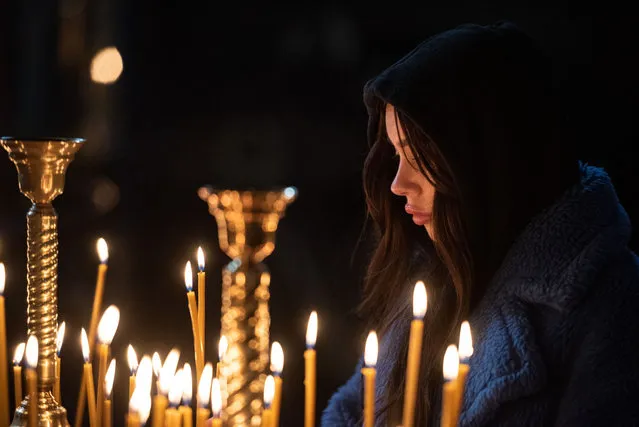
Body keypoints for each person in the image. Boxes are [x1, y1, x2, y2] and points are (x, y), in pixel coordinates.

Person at [321, 21, 639, 426]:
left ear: (487, 164)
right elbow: (352, 412)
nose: (398, 184)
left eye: (418, 159)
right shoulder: (425, 289)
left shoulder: (612, 306)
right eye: (395, 156)